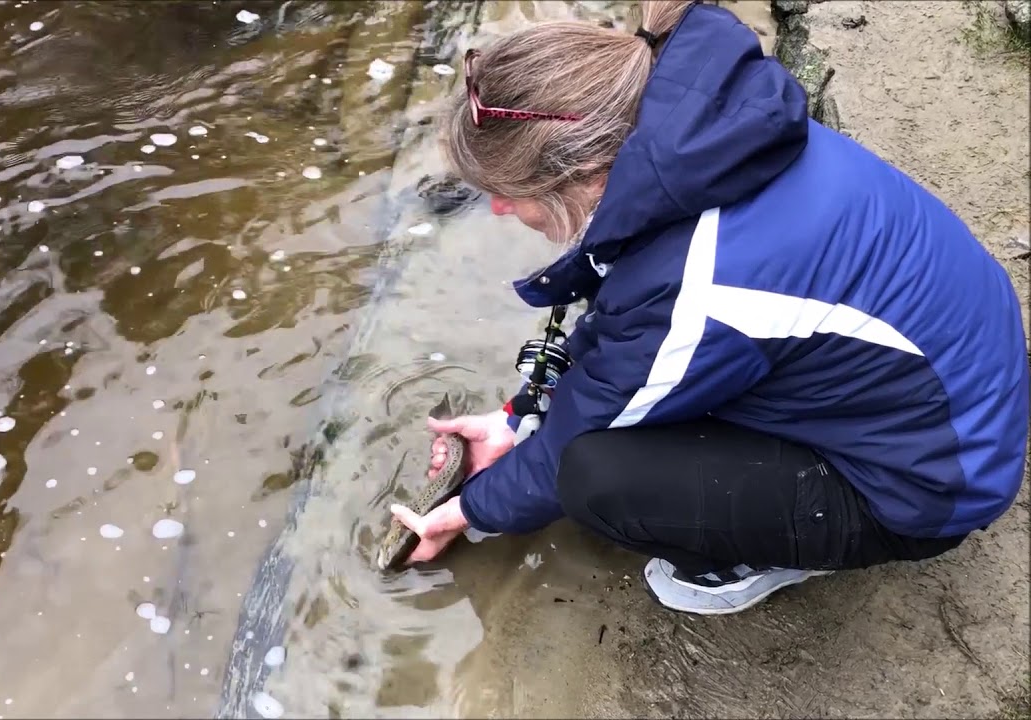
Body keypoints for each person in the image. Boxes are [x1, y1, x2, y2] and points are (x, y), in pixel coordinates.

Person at [388, 0, 1029, 615]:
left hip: (932, 484)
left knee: (596, 479)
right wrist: (515, 417)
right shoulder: (705, 137)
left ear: (582, 169)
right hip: (958, 381)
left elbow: (577, 441)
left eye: (507, 193)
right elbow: (621, 336)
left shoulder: (695, 283)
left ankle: (754, 561)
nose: (498, 210)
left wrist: (468, 510)